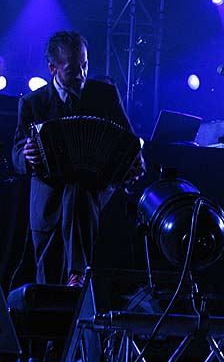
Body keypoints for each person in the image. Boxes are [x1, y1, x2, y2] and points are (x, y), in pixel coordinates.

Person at [12, 30, 144, 287]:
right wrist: (25, 155)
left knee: (79, 188)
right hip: (48, 198)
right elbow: (16, 151)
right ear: (53, 68)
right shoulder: (32, 103)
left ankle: (77, 274)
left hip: (92, 192)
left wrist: (134, 163)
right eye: (73, 69)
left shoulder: (105, 94)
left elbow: (129, 142)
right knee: (48, 283)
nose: (82, 74)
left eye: (85, 65)